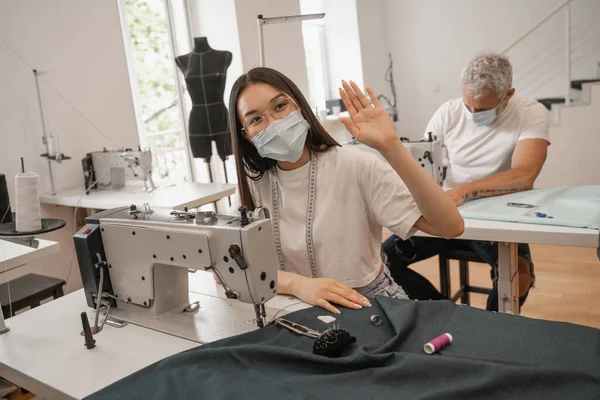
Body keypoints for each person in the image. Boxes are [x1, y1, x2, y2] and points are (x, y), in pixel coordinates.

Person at [228, 67, 464, 314]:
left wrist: (391, 146)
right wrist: (297, 284)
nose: (273, 123)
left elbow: (449, 226)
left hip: (367, 304)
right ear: (246, 136)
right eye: (255, 119)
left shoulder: (354, 164)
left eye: (279, 107)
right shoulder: (251, 187)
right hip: (289, 306)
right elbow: (228, 268)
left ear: (299, 105)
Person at [383, 53, 551, 311]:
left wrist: (464, 191)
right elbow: (422, 166)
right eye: (468, 105)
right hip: (449, 212)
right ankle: (449, 315)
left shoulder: (530, 113)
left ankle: (491, 330)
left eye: (482, 109)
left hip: (498, 214)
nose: (472, 113)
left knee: (520, 276)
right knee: (384, 261)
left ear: (508, 95)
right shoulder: (448, 112)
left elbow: (524, 175)